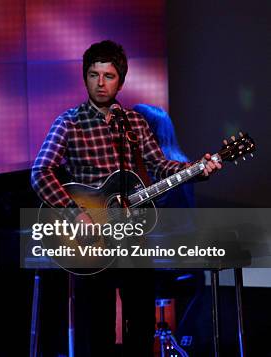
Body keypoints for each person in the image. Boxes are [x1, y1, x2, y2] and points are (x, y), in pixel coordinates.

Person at [31, 41, 221, 356]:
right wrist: (74, 212)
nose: (101, 83)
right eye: (94, 75)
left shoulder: (133, 122)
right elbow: (40, 173)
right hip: (89, 238)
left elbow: (160, 166)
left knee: (142, 324)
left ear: (121, 80)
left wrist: (198, 169)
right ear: (85, 77)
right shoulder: (69, 123)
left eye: (108, 75)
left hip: (132, 233)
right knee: (99, 327)